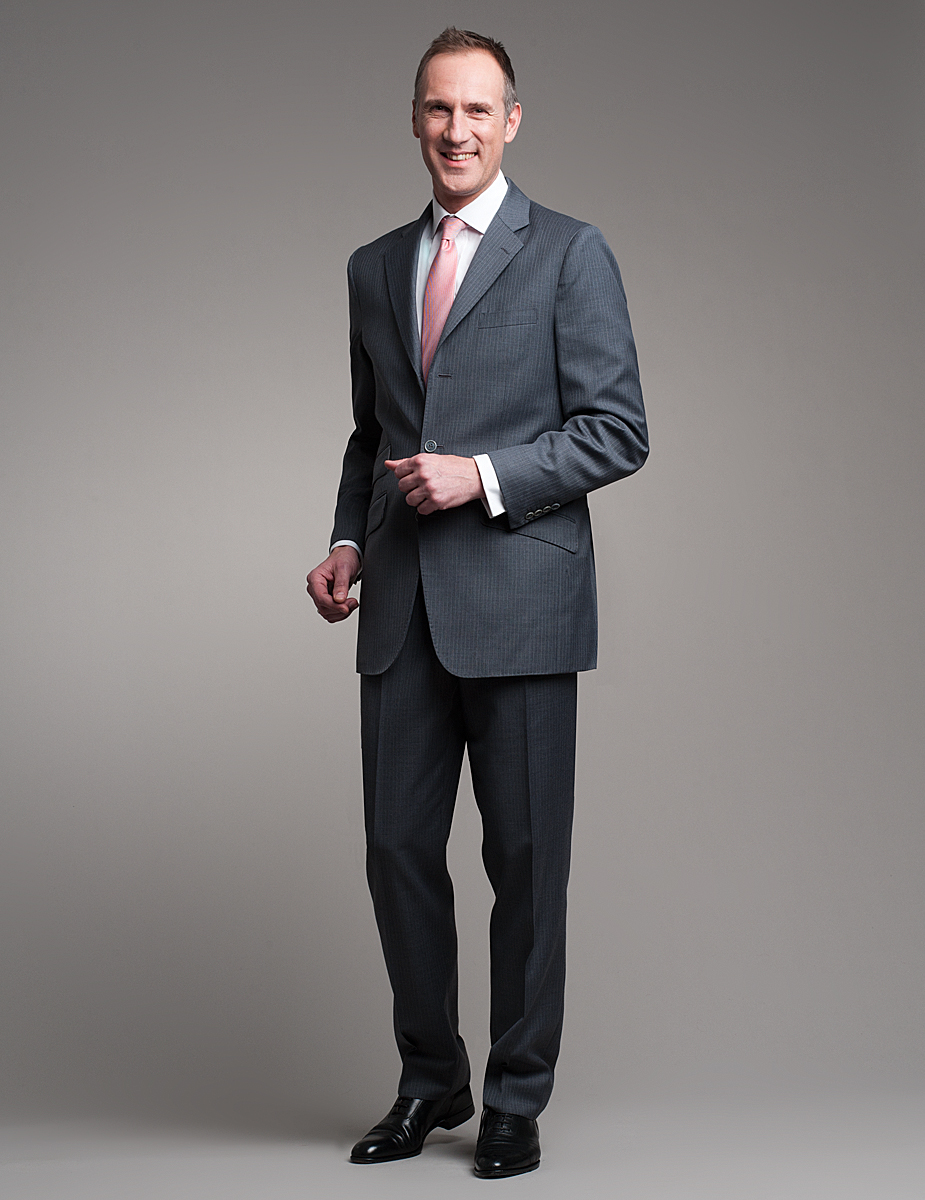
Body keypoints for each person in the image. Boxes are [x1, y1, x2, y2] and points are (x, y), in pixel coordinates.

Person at [306, 27, 647, 1178]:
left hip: (522, 603)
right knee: (395, 849)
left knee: (526, 864)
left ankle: (514, 1098)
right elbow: (372, 435)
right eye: (437, 109)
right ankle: (429, 1079)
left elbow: (617, 431)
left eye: (477, 110)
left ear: (512, 122)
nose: (456, 130)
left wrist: (483, 477)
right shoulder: (371, 267)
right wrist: (347, 540)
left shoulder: (570, 254)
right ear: (415, 118)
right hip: (400, 607)